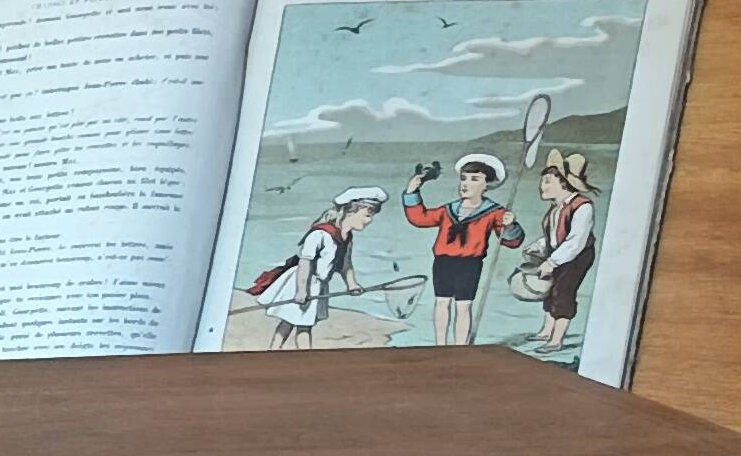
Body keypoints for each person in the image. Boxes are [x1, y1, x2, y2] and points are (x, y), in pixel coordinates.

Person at [403, 151, 525, 348]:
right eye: (464, 179)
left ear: (487, 184)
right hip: (443, 262)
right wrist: (411, 193)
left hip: (470, 264)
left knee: (464, 306)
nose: (466, 184)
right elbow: (420, 218)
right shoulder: (448, 210)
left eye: (475, 179)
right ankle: (440, 346)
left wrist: (510, 226)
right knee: (442, 303)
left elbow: (512, 242)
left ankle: (460, 348)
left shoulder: (494, 212)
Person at [246, 185, 385, 348]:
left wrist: (352, 285)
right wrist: (301, 290)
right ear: (351, 211)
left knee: (296, 322)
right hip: (302, 281)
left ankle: (276, 351)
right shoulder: (320, 234)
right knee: (299, 323)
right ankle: (293, 353)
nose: (369, 220)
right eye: (367, 215)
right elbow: (305, 263)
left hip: (318, 285)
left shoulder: (347, 238)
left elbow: (345, 264)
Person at [526, 151, 600, 361]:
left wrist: (552, 261)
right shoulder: (555, 208)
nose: (543, 186)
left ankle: (556, 339)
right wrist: (538, 247)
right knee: (550, 292)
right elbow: (552, 236)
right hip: (558, 253)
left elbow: (575, 241)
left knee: (563, 292)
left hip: (577, 256)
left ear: (564, 183)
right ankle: (546, 330)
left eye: (548, 182)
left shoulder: (583, 207)